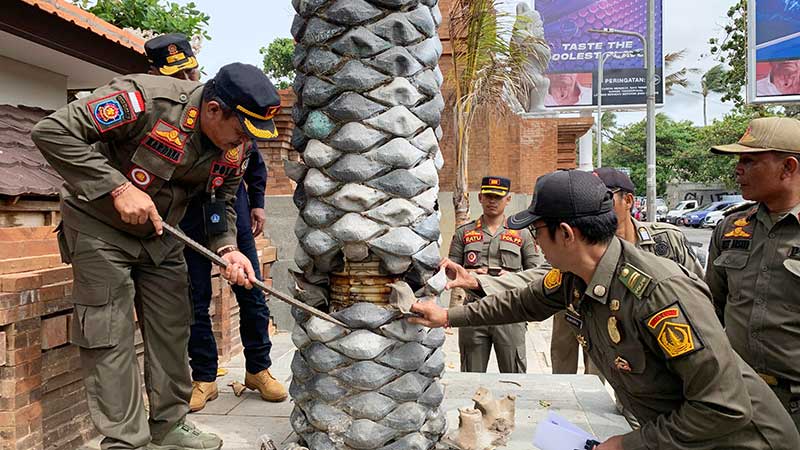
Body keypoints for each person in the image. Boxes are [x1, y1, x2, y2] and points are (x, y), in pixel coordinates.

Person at [411, 169, 800, 450]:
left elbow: (723, 407)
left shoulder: (659, 294)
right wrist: (446, 316)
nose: (535, 242)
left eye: (537, 232)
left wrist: (627, 445)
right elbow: (523, 300)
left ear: (566, 234)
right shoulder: (574, 275)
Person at [32, 62, 281, 450]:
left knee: (173, 326)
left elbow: (221, 200)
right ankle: (125, 440)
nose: (243, 142)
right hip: (99, 227)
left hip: (163, 232)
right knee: (108, 332)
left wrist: (228, 249)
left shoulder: (235, 148)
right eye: (241, 131)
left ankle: (169, 424)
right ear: (214, 110)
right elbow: (51, 131)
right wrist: (116, 188)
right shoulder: (146, 101)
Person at [706, 116, 800, 431]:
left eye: (750, 161)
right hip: (739, 398)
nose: (738, 169)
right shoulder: (730, 228)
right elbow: (712, 310)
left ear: (788, 167)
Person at [183, 146, 288, 411]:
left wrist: (258, 203)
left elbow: (255, 166)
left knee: (252, 295)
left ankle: (258, 369)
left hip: (234, 218)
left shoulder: (239, 131)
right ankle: (204, 377)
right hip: (189, 218)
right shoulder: (187, 128)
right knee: (195, 300)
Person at [447, 176, 543, 373]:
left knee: (514, 375)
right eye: (489, 196)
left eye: (498, 197)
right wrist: (471, 274)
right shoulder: (463, 233)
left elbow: (536, 273)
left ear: (508, 199)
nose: (492, 201)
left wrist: (510, 277)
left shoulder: (522, 234)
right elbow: (451, 270)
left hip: (511, 311)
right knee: (471, 375)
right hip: (473, 311)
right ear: (480, 197)